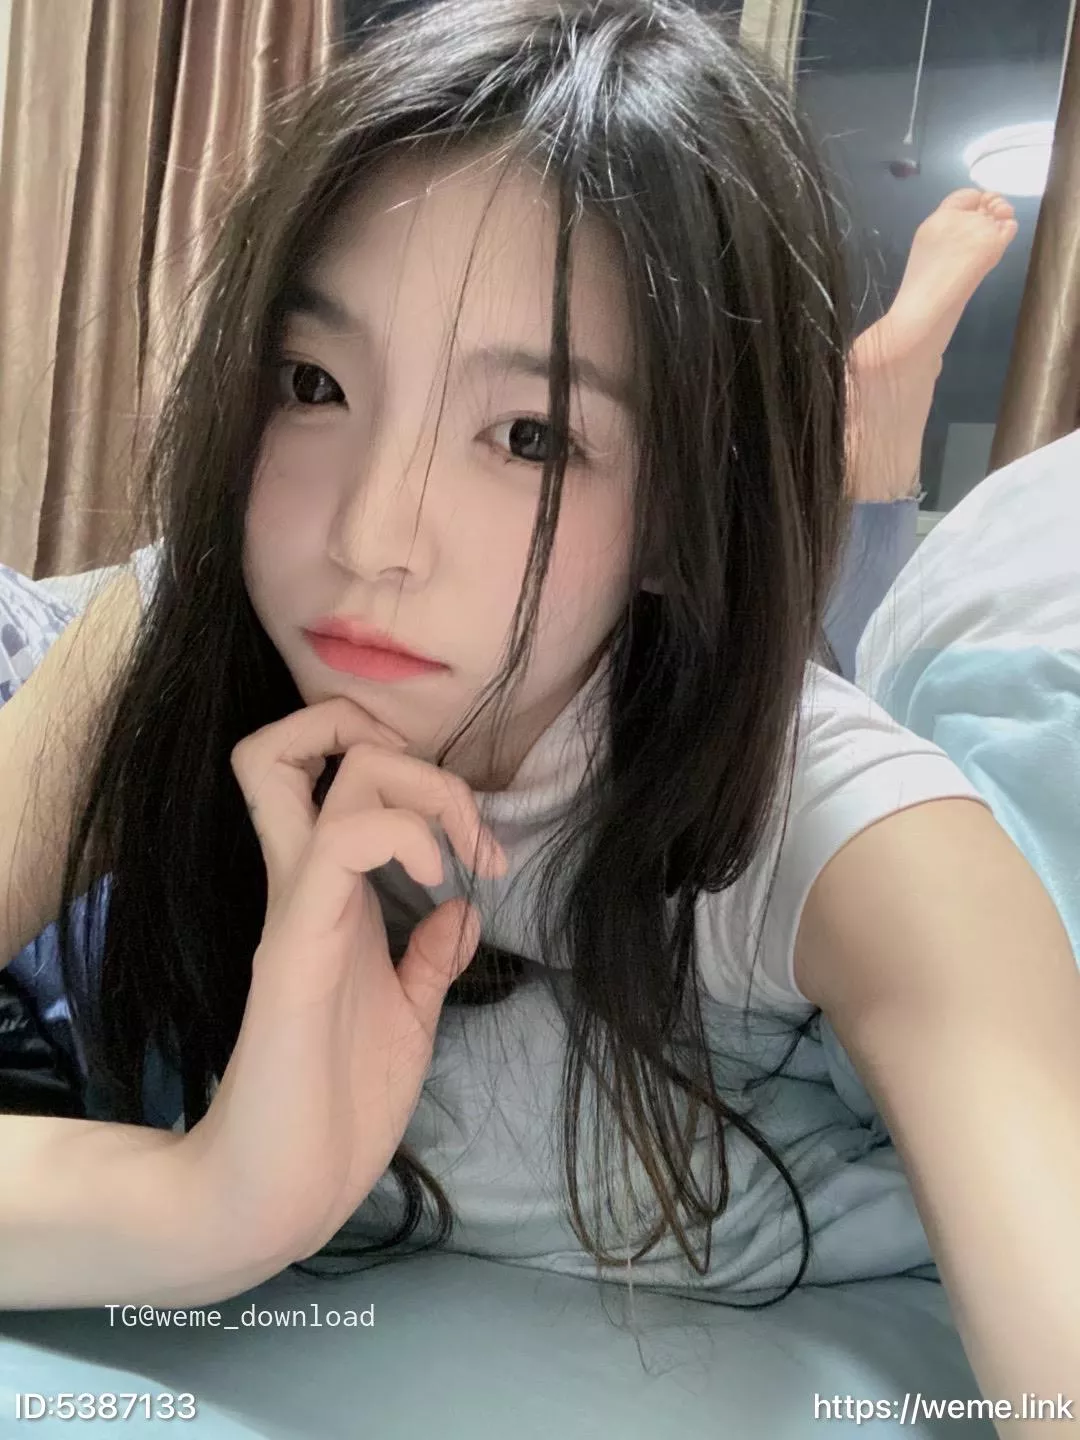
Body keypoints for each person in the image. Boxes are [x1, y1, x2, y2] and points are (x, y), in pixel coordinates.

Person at [0, 0, 1076, 1423]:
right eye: (314, 385)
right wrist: (208, 1205)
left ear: (685, 510)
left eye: (532, 437)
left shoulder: (849, 840)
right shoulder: (164, 632)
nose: (371, 535)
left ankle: (871, 448)